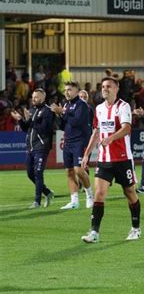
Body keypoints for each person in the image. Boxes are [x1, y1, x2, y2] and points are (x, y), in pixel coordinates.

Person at [80, 77, 141, 243]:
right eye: (103, 86)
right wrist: (87, 154)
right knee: (99, 194)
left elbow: (127, 128)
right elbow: (96, 132)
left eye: (108, 86)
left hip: (122, 159)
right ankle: (94, 232)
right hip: (104, 159)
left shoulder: (123, 106)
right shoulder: (99, 108)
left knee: (129, 193)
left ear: (116, 89)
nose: (105, 89)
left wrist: (111, 138)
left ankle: (135, 228)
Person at [51, 82, 94, 210]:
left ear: (76, 91)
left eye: (69, 89)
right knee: (69, 172)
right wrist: (58, 114)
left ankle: (90, 196)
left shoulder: (82, 105)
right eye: (65, 90)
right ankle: (74, 201)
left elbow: (76, 122)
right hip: (68, 141)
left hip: (79, 141)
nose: (66, 92)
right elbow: (63, 125)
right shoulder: (66, 104)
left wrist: (62, 113)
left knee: (79, 170)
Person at [10, 89, 55, 208]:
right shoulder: (32, 110)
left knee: (38, 173)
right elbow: (27, 128)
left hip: (42, 146)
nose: (33, 99)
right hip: (31, 147)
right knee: (30, 174)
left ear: (43, 98)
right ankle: (47, 192)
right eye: (33, 97)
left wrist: (31, 120)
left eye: (36, 97)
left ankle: (37, 202)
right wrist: (20, 119)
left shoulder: (48, 111)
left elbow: (44, 129)